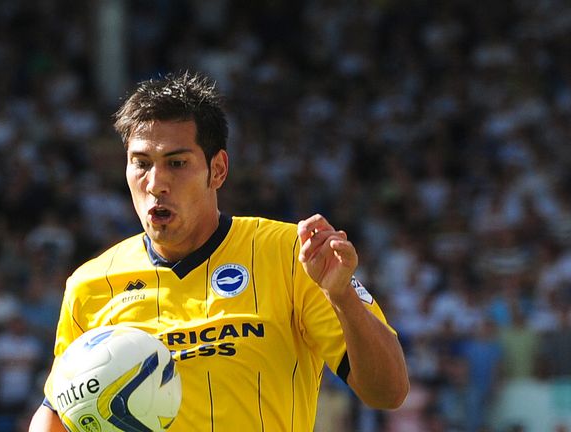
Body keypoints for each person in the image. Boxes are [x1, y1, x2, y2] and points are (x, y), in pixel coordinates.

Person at [29, 72, 408, 431]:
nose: (156, 183)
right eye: (141, 164)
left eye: (176, 163)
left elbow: (388, 392)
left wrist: (341, 295)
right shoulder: (90, 285)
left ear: (218, 170)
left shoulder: (292, 254)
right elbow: (57, 412)